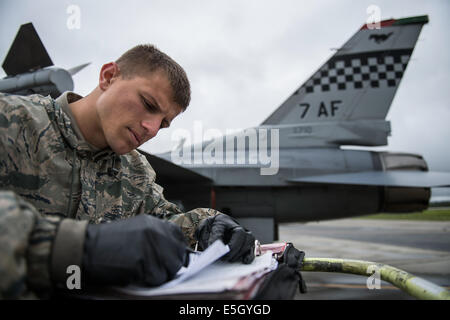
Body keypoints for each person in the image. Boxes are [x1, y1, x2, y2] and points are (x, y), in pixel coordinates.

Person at [0, 44, 255, 299]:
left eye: (164, 124)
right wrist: (74, 248)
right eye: (148, 103)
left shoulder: (136, 170)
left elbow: (161, 222)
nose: (152, 129)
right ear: (108, 77)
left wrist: (204, 225)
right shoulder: (10, 122)